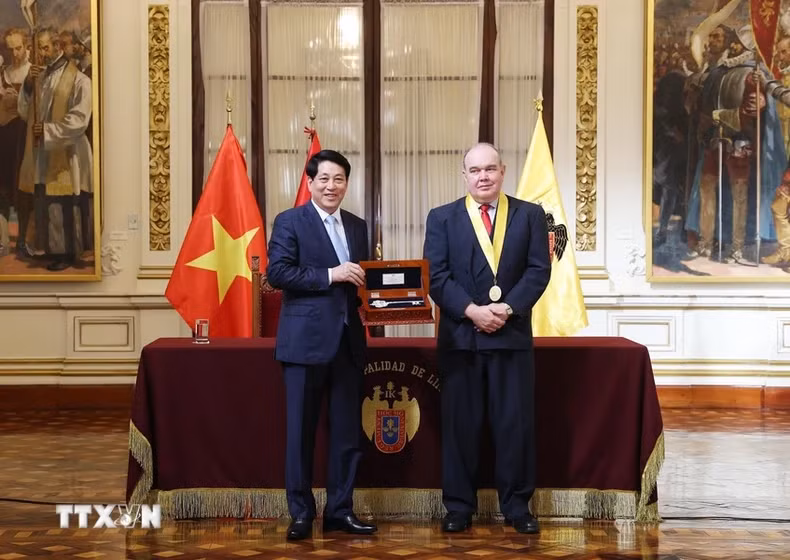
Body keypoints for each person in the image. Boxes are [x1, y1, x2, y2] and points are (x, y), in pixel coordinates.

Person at [423, 142, 550, 534]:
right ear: (464, 175)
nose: (483, 177)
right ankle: (459, 507)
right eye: (475, 170)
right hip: (462, 340)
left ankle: (517, 507)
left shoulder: (530, 215)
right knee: (460, 427)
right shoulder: (442, 218)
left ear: (503, 171)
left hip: (511, 337)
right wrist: (472, 311)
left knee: (514, 426)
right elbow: (436, 277)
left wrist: (506, 309)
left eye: (490, 169)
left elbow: (538, 271)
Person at [266, 149, 376, 541]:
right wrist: (331, 274)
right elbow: (278, 274)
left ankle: (340, 511)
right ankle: (300, 513)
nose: (332, 186)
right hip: (304, 344)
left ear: (347, 183)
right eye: (324, 179)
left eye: (339, 179)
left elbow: (364, 280)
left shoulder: (358, 225)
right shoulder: (290, 221)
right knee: (300, 434)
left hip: (348, 343)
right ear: (310, 182)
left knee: (347, 434)